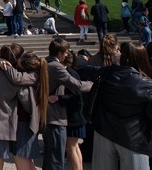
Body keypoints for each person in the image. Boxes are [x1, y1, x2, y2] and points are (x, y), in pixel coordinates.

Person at [92, 42, 152, 170]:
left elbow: (84, 70)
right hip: (133, 137)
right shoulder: (145, 84)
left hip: (103, 131)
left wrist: (114, 65)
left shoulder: (107, 74)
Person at [43, 38, 93, 170]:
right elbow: (77, 86)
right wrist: (93, 84)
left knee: (53, 153)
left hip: (48, 114)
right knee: (57, 156)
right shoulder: (57, 67)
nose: (67, 55)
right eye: (65, 52)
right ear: (60, 52)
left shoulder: (45, 62)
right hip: (55, 116)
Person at [49, 51, 86, 170]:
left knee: (71, 147)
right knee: (74, 147)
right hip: (75, 115)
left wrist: (58, 98)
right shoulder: (70, 72)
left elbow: (76, 96)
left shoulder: (69, 73)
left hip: (73, 116)